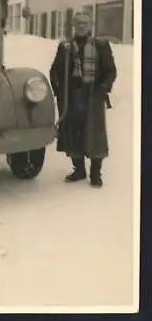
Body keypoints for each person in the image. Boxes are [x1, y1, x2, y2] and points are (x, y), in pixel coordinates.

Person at [49, 11, 117, 188]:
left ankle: (95, 174)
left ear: (90, 26)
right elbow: (55, 70)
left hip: (93, 94)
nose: (81, 26)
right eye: (78, 23)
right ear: (73, 25)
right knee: (73, 132)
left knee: (94, 134)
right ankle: (79, 170)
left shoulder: (101, 45)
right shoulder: (65, 46)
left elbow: (111, 71)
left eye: (84, 23)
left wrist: (103, 89)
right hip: (71, 95)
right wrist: (59, 91)